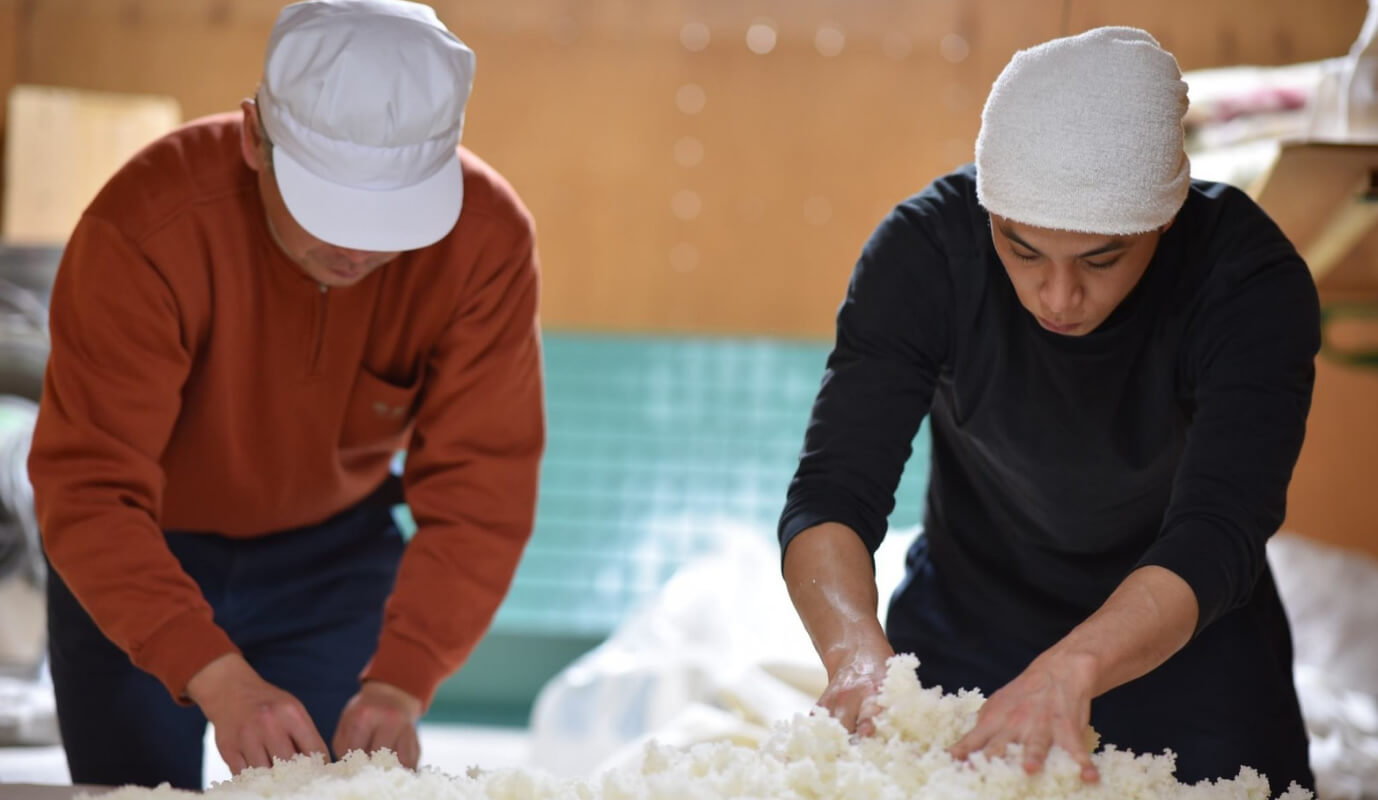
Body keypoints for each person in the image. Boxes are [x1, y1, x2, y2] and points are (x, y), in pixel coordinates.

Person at [779, 27, 1317, 794]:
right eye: (1022, 250)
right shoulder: (926, 254)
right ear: (988, 211)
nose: (1058, 298)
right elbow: (833, 492)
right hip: (968, 629)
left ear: (1164, 220)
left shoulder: (1247, 281)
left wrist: (1076, 665)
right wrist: (856, 652)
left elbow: (1221, 525)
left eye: (1102, 259)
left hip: (1189, 640)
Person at [27, 0, 544, 789]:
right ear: (252, 137)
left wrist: (402, 676)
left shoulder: (487, 240)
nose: (360, 247)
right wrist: (212, 670)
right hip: (142, 546)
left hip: (335, 558)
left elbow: (485, 485)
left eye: (391, 215)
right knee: (132, 787)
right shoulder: (145, 225)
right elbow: (87, 485)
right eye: (330, 208)